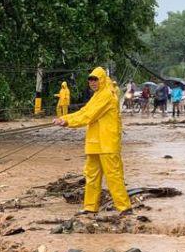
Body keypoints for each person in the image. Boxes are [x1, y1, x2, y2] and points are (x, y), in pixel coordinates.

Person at [54, 66, 131, 215]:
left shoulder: (107, 95)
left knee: (113, 176)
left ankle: (124, 208)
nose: (92, 83)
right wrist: (64, 118)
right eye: (90, 80)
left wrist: (68, 122)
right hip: (94, 142)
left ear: (102, 80)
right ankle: (90, 207)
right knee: (91, 175)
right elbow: (84, 111)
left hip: (108, 143)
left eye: (95, 80)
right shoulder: (96, 95)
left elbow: (90, 115)